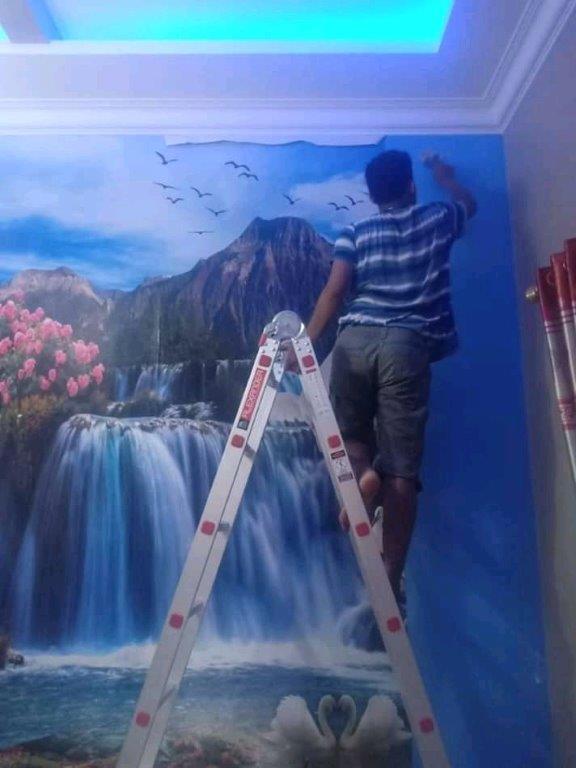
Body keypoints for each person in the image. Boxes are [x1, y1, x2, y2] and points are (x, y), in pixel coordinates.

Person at [297, 150, 477, 606]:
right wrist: (445, 175)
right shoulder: (437, 218)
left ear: (373, 195)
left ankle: (362, 476)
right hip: (406, 344)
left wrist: (306, 343)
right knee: (401, 468)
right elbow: (468, 204)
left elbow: (335, 291)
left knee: (351, 434)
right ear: (411, 187)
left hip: (354, 341)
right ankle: (391, 573)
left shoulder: (354, 231)